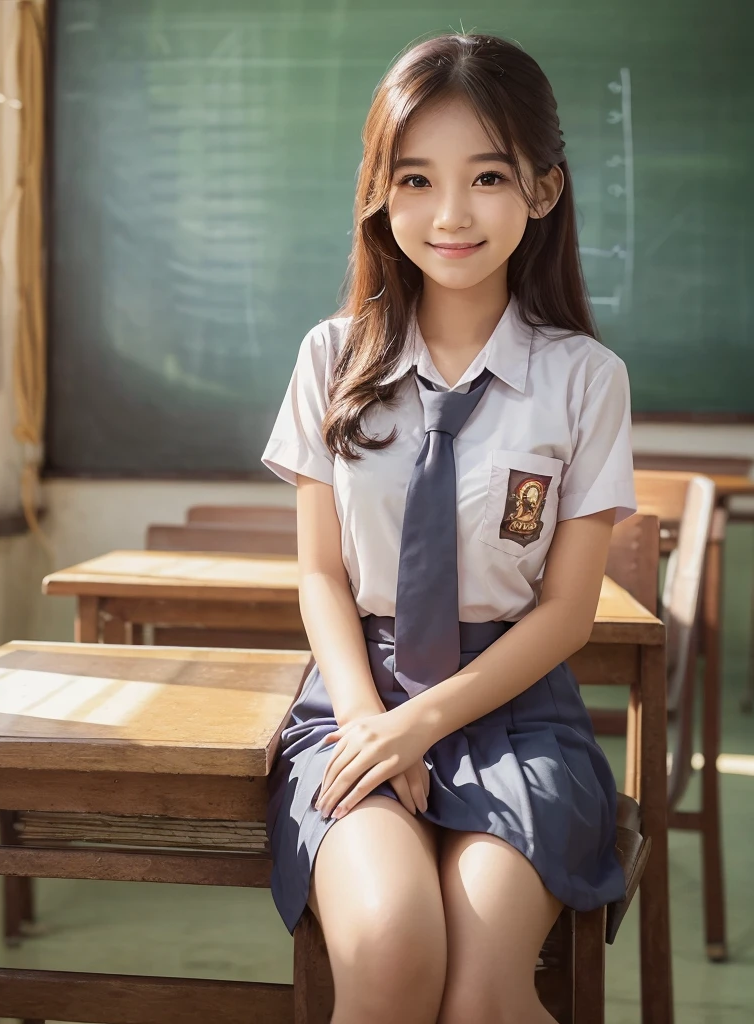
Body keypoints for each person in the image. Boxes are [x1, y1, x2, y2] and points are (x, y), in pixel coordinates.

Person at [261, 32, 636, 1024]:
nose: (450, 214)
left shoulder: (583, 380)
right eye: (415, 178)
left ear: (543, 190)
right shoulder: (330, 358)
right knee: (389, 957)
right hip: (355, 696)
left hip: (516, 710)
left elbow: (563, 615)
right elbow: (319, 576)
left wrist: (423, 722)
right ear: (380, 190)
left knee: (479, 995)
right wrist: (370, 723)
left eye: (487, 177)